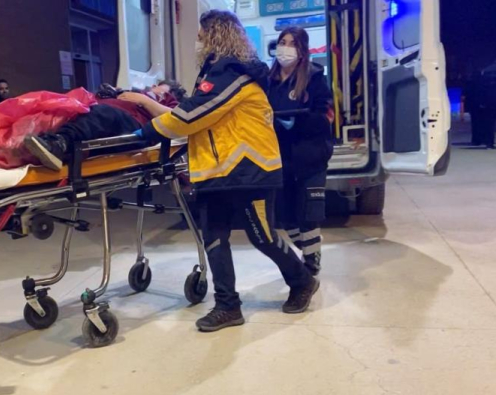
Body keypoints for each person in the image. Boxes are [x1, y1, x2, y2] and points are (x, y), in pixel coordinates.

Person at [142, 10, 320, 332]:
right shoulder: (216, 73)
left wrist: (145, 131)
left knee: (262, 236)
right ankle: (227, 306)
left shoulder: (234, 73)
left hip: (251, 170)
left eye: (200, 35)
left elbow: (191, 116)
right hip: (218, 170)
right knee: (214, 237)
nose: (197, 41)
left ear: (215, 36)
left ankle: (303, 280)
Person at [268, 27, 334, 277]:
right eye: (282, 42)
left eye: (292, 43)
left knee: (309, 213)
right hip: (281, 157)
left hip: (311, 155)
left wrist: (297, 121)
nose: (285, 48)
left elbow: (325, 115)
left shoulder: (315, 78)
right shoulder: (269, 81)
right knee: (285, 217)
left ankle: (311, 262)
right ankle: (309, 249)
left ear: (302, 50)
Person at [22, 80, 183, 170]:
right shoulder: (135, 91)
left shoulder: (167, 101)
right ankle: (43, 146)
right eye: (155, 87)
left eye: (161, 91)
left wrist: (145, 100)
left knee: (105, 114)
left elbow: (175, 118)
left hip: (133, 125)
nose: (154, 89)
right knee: (67, 111)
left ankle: (59, 144)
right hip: (101, 114)